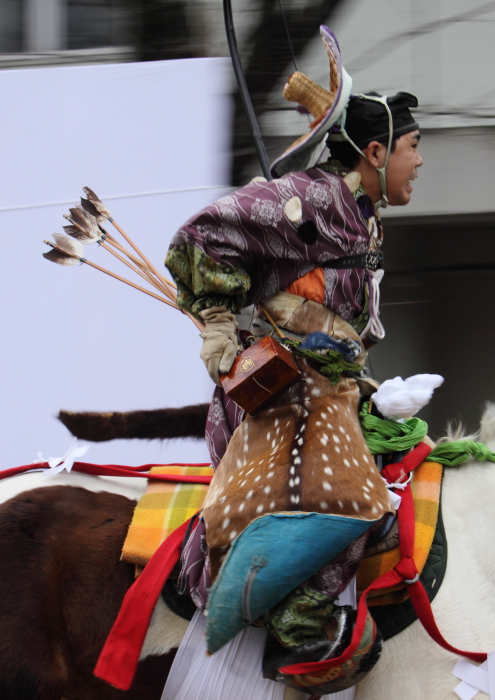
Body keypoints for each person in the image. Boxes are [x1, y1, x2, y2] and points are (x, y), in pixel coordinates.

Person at [165, 25, 423, 695]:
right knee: (351, 497)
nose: (419, 163)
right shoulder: (304, 199)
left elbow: (332, 314)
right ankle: (298, 629)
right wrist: (218, 329)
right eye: (412, 147)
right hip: (281, 395)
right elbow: (201, 236)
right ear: (373, 151)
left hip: (327, 391)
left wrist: (367, 387)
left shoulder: (363, 214)